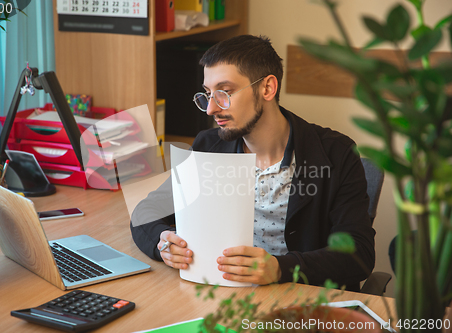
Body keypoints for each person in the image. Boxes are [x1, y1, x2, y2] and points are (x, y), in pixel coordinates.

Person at [130, 35, 375, 291]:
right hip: (224, 296)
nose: (211, 109)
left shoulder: (337, 153)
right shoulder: (208, 146)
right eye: (207, 94)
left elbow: (359, 254)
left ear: (267, 88)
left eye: (225, 93)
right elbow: (145, 212)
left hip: (302, 302)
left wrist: (281, 268)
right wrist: (163, 243)